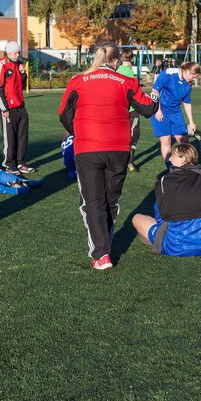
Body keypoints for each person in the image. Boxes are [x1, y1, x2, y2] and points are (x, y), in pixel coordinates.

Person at [58, 43, 157, 270]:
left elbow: (64, 113)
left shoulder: (79, 80)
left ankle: (101, 253)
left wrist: (76, 130)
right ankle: (105, 243)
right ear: (116, 61)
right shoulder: (127, 81)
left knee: (92, 202)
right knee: (110, 199)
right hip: (119, 149)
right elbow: (148, 109)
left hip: (88, 148)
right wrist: (156, 96)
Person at [131, 142, 201, 257]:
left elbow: (161, 216)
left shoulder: (164, 182)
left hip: (177, 246)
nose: (170, 159)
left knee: (136, 218)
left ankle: (153, 238)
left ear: (183, 159)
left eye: (173, 155)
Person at [153, 61, 201, 167]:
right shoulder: (168, 74)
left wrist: (191, 121)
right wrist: (157, 110)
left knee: (183, 140)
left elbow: (187, 102)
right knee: (166, 141)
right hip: (160, 110)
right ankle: (170, 169)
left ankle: (189, 166)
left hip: (175, 112)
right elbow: (155, 92)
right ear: (187, 71)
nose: (193, 79)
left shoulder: (188, 84)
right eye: (193, 76)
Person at [0, 43, 34, 173]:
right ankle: (9, 164)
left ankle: (20, 162)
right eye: (15, 53)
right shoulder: (2, 64)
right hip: (8, 107)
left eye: (18, 52)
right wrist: (4, 108)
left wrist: (23, 73)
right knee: (10, 137)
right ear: (9, 52)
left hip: (20, 105)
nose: (18, 55)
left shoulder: (19, 64)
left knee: (22, 135)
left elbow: (22, 84)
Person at [117, 50, 141, 171]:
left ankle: (121, 160)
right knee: (134, 135)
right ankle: (129, 162)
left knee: (121, 134)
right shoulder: (129, 73)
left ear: (121, 58)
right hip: (131, 109)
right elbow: (133, 91)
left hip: (119, 108)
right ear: (132, 59)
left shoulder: (117, 71)